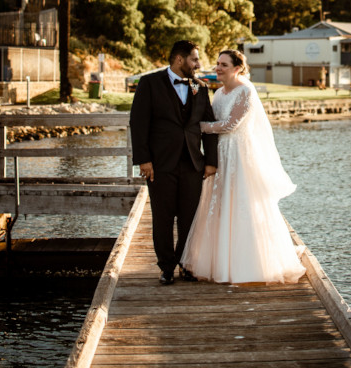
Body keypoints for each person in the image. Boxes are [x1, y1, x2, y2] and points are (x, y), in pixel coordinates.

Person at [181, 49, 306, 284]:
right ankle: (218, 262)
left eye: (224, 65)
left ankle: (248, 265)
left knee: (241, 205)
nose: (218, 68)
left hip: (239, 156)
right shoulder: (218, 94)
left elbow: (230, 125)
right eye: (217, 63)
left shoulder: (246, 91)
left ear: (237, 68)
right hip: (220, 156)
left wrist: (199, 128)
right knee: (218, 206)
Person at [129, 40, 219, 285]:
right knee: (163, 217)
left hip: (193, 164)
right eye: (194, 59)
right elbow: (138, 124)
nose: (198, 64)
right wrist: (144, 160)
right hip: (159, 164)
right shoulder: (149, 83)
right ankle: (166, 267)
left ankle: (186, 262)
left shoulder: (200, 88)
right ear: (179, 60)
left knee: (190, 218)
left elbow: (209, 128)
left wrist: (211, 161)